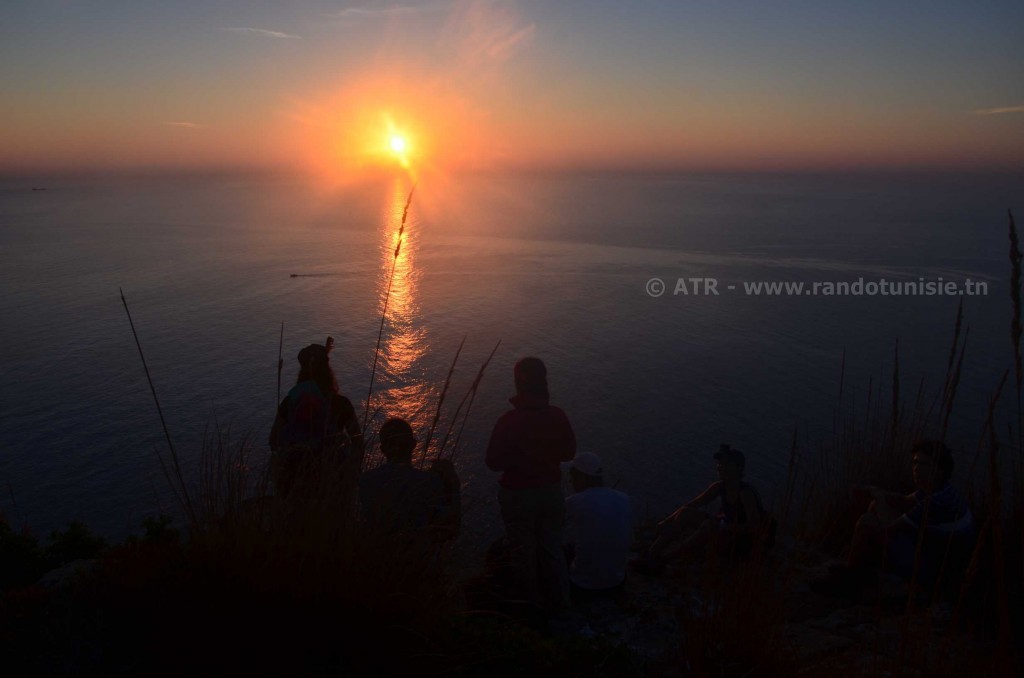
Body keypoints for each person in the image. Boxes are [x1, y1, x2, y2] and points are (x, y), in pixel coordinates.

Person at [811, 440, 975, 598]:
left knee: (868, 521)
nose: (916, 469)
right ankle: (860, 569)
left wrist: (880, 499)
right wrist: (874, 491)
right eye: (915, 463)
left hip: (932, 573)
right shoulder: (942, 490)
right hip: (932, 553)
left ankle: (852, 581)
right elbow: (904, 501)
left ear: (939, 470)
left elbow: (889, 527)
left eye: (923, 464)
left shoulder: (935, 502)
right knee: (876, 506)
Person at [485, 357, 576, 613]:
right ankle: (561, 605)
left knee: (522, 553)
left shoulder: (509, 421)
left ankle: (530, 610)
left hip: (517, 495)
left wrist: (519, 457)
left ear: (518, 383)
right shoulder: (557, 415)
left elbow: (492, 462)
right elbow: (569, 452)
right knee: (552, 549)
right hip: (550, 492)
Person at [635, 444, 771, 574]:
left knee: (710, 524)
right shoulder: (719, 487)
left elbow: (754, 528)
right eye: (719, 464)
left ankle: (663, 560)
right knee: (687, 513)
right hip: (724, 532)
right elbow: (691, 505)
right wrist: (665, 521)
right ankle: (651, 553)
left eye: (726, 464)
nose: (720, 467)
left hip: (740, 543)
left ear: (739, 468)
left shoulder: (745, 493)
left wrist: (723, 526)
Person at [269, 340, 363, 497]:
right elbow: (358, 441)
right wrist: (350, 474)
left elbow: (273, 441)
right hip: (332, 482)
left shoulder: (290, 401)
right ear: (327, 370)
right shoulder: (340, 403)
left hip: (294, 484)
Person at [358, 418, 461, 543]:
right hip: (418, 558)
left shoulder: (364, 482)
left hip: (374, 557)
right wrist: (453, 485)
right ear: (413, 445)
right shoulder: (430, 483)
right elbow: (450, 531)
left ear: (383, 449)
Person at [564, 452, 633, 601]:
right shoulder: (624, 499)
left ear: (582, 477)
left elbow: (552, 527)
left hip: (582, 587)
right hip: (617, 583)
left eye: (572, 477)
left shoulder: (574, 502)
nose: (571, 481)